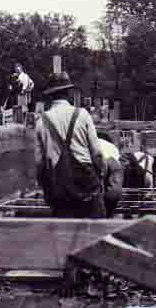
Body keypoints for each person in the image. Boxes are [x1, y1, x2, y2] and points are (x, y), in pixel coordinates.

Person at [34, 72, 106, 218]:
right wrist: (100, 177)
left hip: (59, 187)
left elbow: (39, 164)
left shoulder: (41, 122)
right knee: (97, 232)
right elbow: (97, 153)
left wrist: (47, 189)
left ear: (51, 96)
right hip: (86, 184)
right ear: (68, 93)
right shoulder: (82, 114)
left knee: (63, 234)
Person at [97, 132, 124, 218]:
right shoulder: (112, 147)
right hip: (112, 163)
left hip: (95, 163)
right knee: (114, 192)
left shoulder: (93, 142)